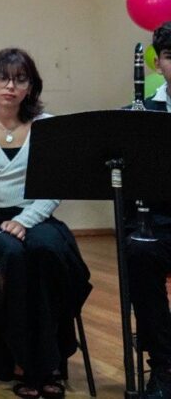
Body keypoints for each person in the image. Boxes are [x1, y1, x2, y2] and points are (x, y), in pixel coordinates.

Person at [0, 48, 91, 399]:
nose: (10, 86)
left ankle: (50, 358)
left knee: (47, 250)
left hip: (32, 213)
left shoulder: (47, 125)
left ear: (31, 86)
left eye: (20, 79)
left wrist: (26, 219)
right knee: (11, 255)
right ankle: (23, 361)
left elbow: (55, 186)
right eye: (2, 78)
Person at [126, 21, 171, 398]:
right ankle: (163, 366)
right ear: (158, 64)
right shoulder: (140, 113)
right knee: (139, 251)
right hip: (160, 221)